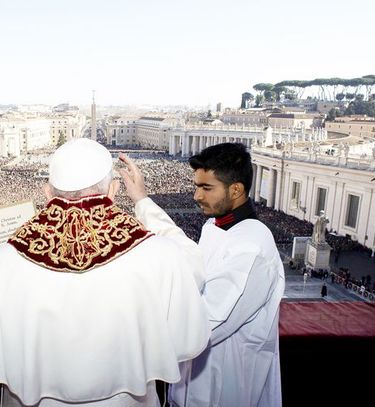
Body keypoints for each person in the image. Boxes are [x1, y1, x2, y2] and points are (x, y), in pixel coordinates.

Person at [0, 138, 210, 407]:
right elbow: (188, 328)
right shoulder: (159, 254)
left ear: (47, 192)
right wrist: (142, 201)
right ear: (114, 190)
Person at [119, 142, 285, 407]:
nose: (196, 196)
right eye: (197, 186)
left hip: (224, 392)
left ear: (236, 189)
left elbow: (202, 326)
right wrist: (142, 200)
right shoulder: (214, 226)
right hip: (190, 388)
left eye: (206, 188)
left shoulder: (252, 248)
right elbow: (185, 257)